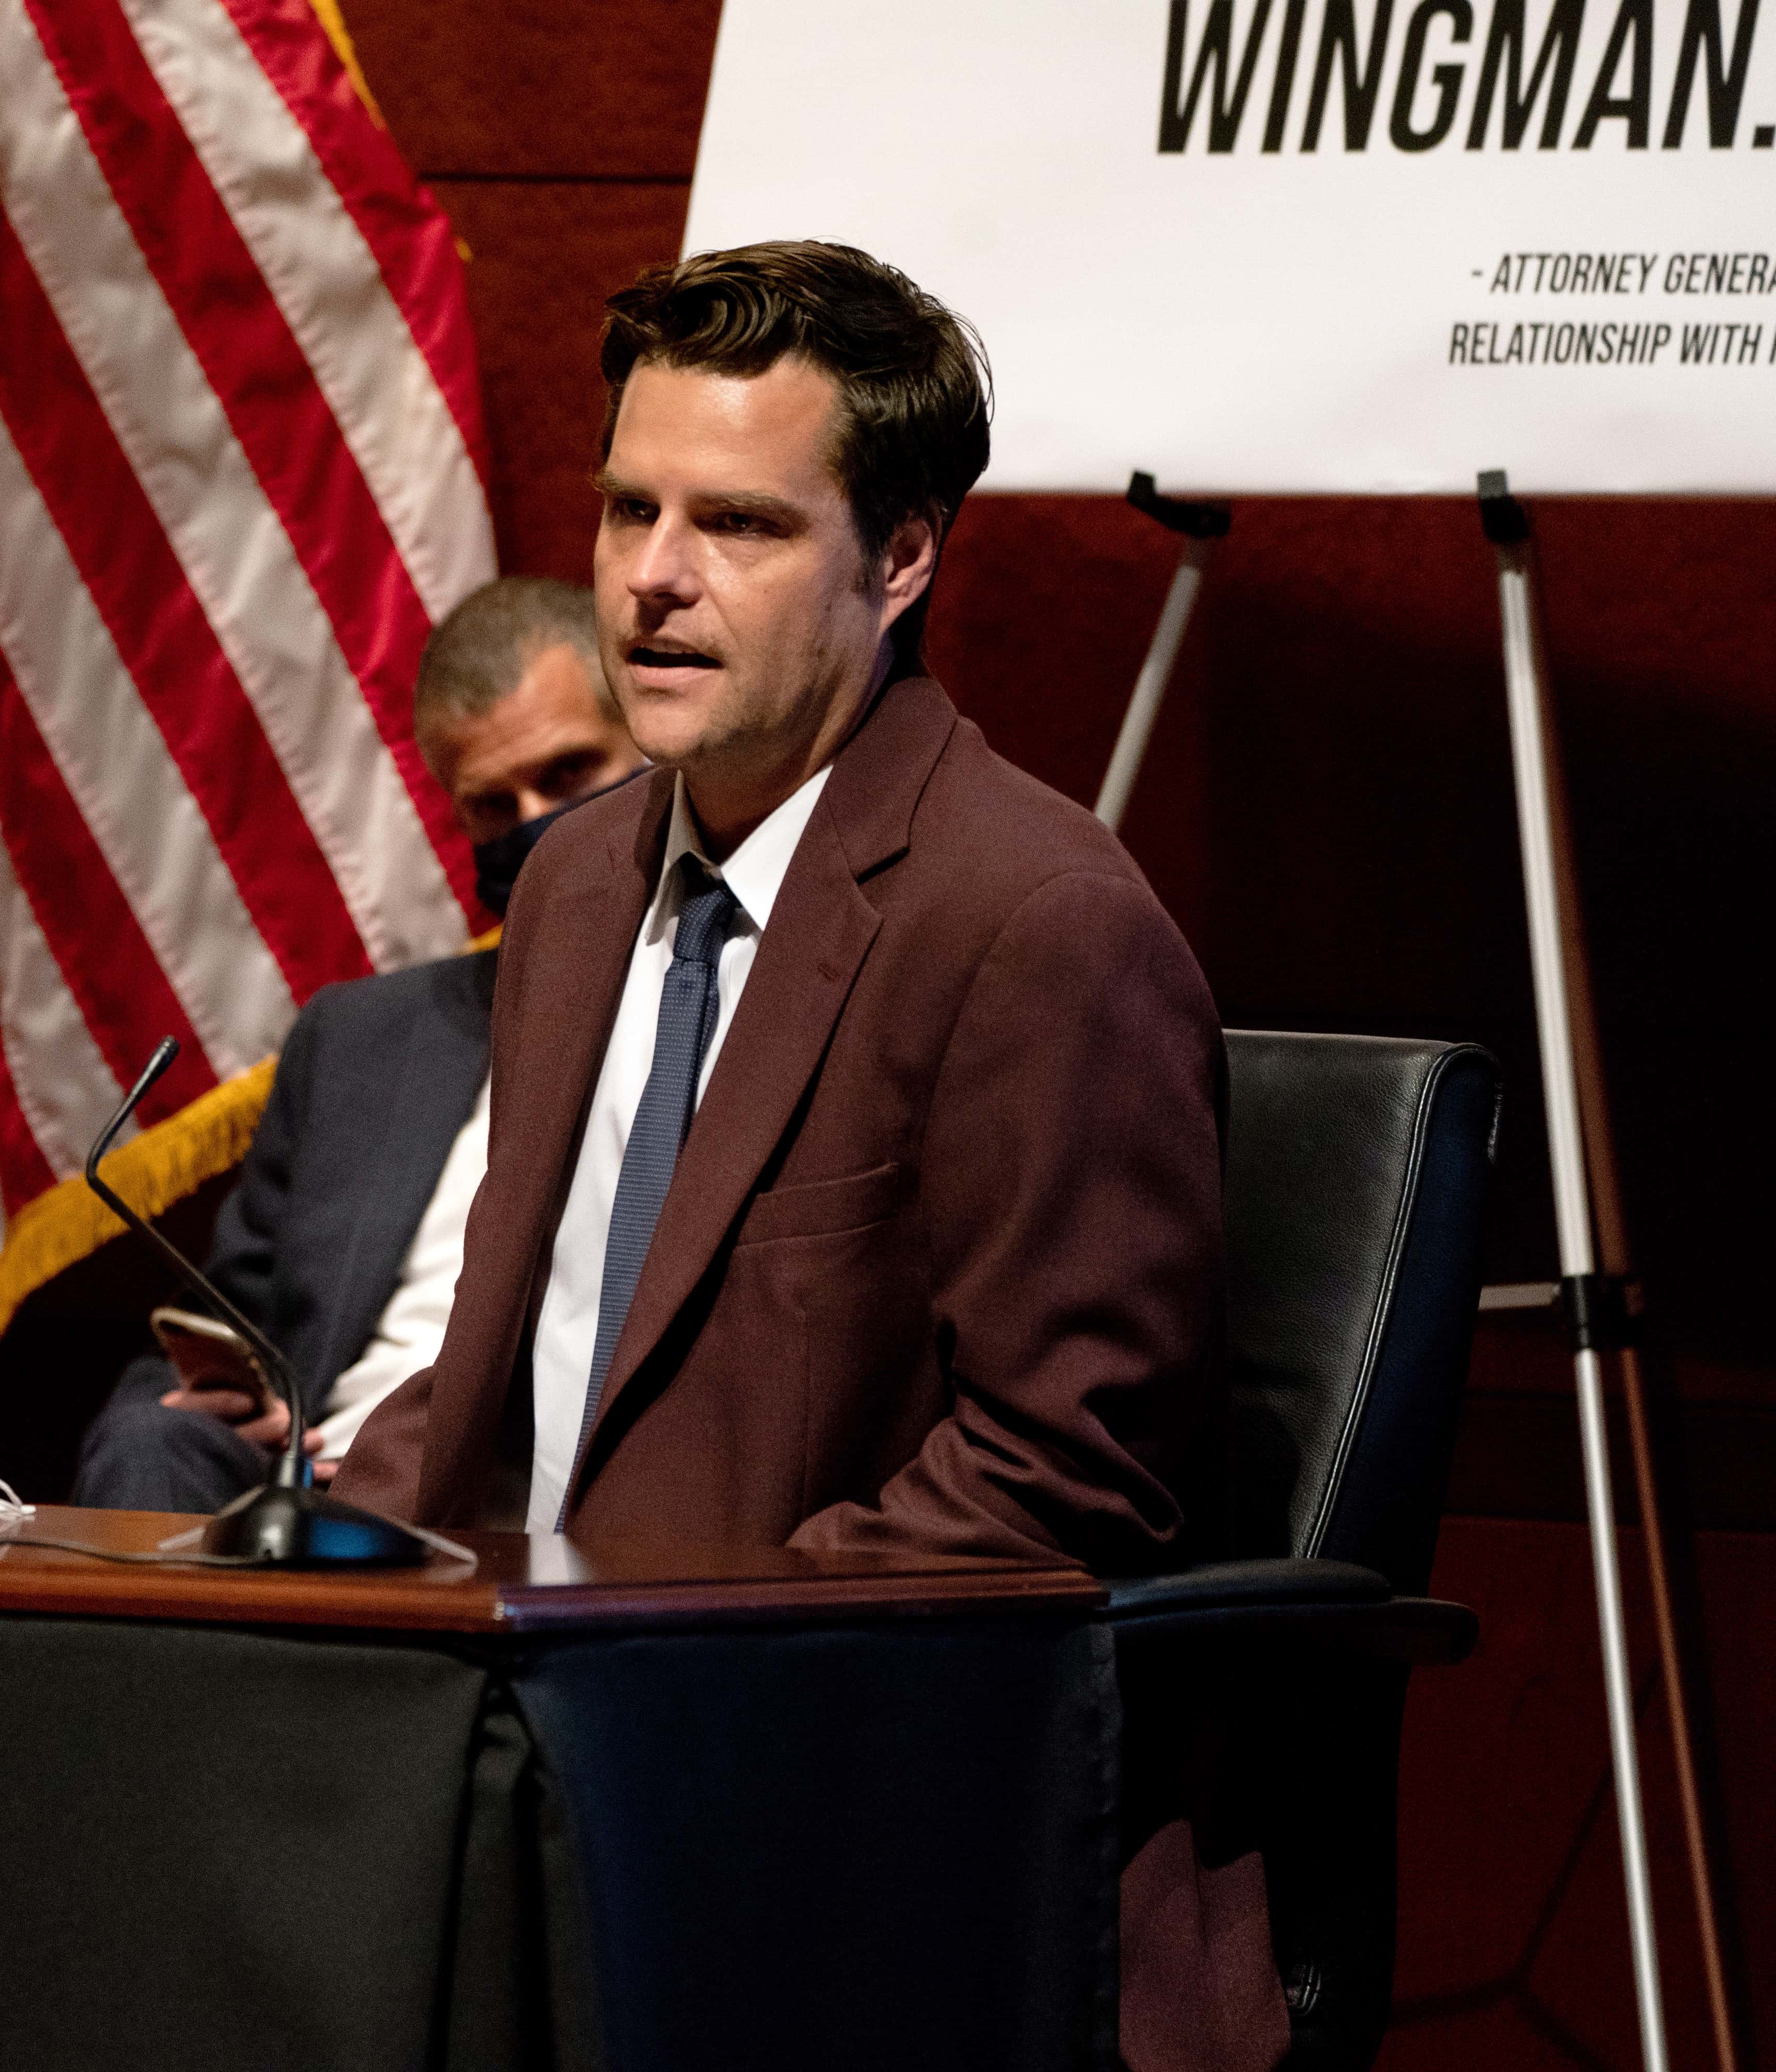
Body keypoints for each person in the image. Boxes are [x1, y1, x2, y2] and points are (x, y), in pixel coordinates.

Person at [329, 244, 1264, 2068]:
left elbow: (1060, 1485)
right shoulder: (581, 883)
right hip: (532, 1777)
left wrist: (673, 1661)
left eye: (740, 525)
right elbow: (529, 1352)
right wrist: (275, 1558)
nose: (652, 579)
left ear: (900, 557)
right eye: (630, 509)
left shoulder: (1040, 924)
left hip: (846, 1826)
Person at [69, 577, 644, 1513]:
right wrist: (208, 1400)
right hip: (312, 1478)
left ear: (652, 748)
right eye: (493, 806)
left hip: (520, 1482)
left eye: (569, 774)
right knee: (150, 1442)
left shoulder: (728, 997)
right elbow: (227, 1320)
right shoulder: (358, 1039)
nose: (535, 823)